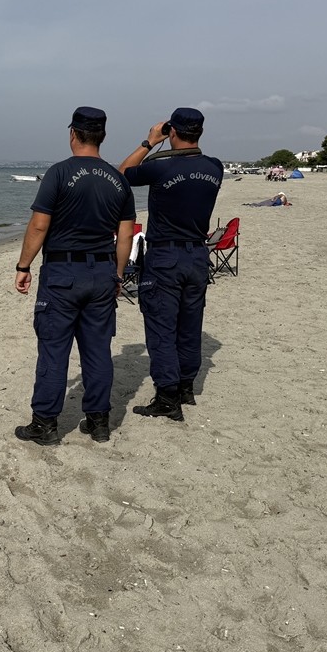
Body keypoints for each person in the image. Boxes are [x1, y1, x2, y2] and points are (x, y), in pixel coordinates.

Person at [14, 106, 136, 445]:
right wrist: (118, 274)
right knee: (97, 350)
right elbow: (125, 235)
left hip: (62, 272)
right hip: (101, 271)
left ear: (73, 133)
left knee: (54, 349)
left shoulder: (59, 173)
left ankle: (45, 424)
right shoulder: (118, 180)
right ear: (103, 136)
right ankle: (98, 422)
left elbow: (40, 224)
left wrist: (23, 266)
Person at [118, 108, 223, 421]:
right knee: (190, 326)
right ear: (200, 132)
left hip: (166, 255)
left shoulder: (161, 167)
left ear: (172, 131)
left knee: (162, 327)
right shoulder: (214, 167)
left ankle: (167, 397)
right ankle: (186, 387)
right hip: (197, 254)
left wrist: (150, 142)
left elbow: (122, 174)